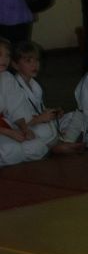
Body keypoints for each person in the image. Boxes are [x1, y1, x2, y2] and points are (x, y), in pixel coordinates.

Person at [10, 41, 84, 153]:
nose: (34, 65)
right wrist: (40, 119)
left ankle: (65, 141)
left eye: (37, 60)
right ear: (15, 65)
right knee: (43, 130)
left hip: (39, 122)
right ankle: (59, 145)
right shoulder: (13, 88)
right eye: (28, 61)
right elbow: (15, 123)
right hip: (26, 127)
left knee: (76, 115)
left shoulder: (34, 84)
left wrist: (52, 113)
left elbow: (38, 109)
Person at [0, 36, 51, 165]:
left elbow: (16, 107)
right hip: (3, 130)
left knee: (37, 147)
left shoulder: (6, 78)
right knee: (12, 150)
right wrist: (9, 132)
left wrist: (24, 128)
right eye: (0, 55)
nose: (4, 59)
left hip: (5, 128)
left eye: (7, 55)